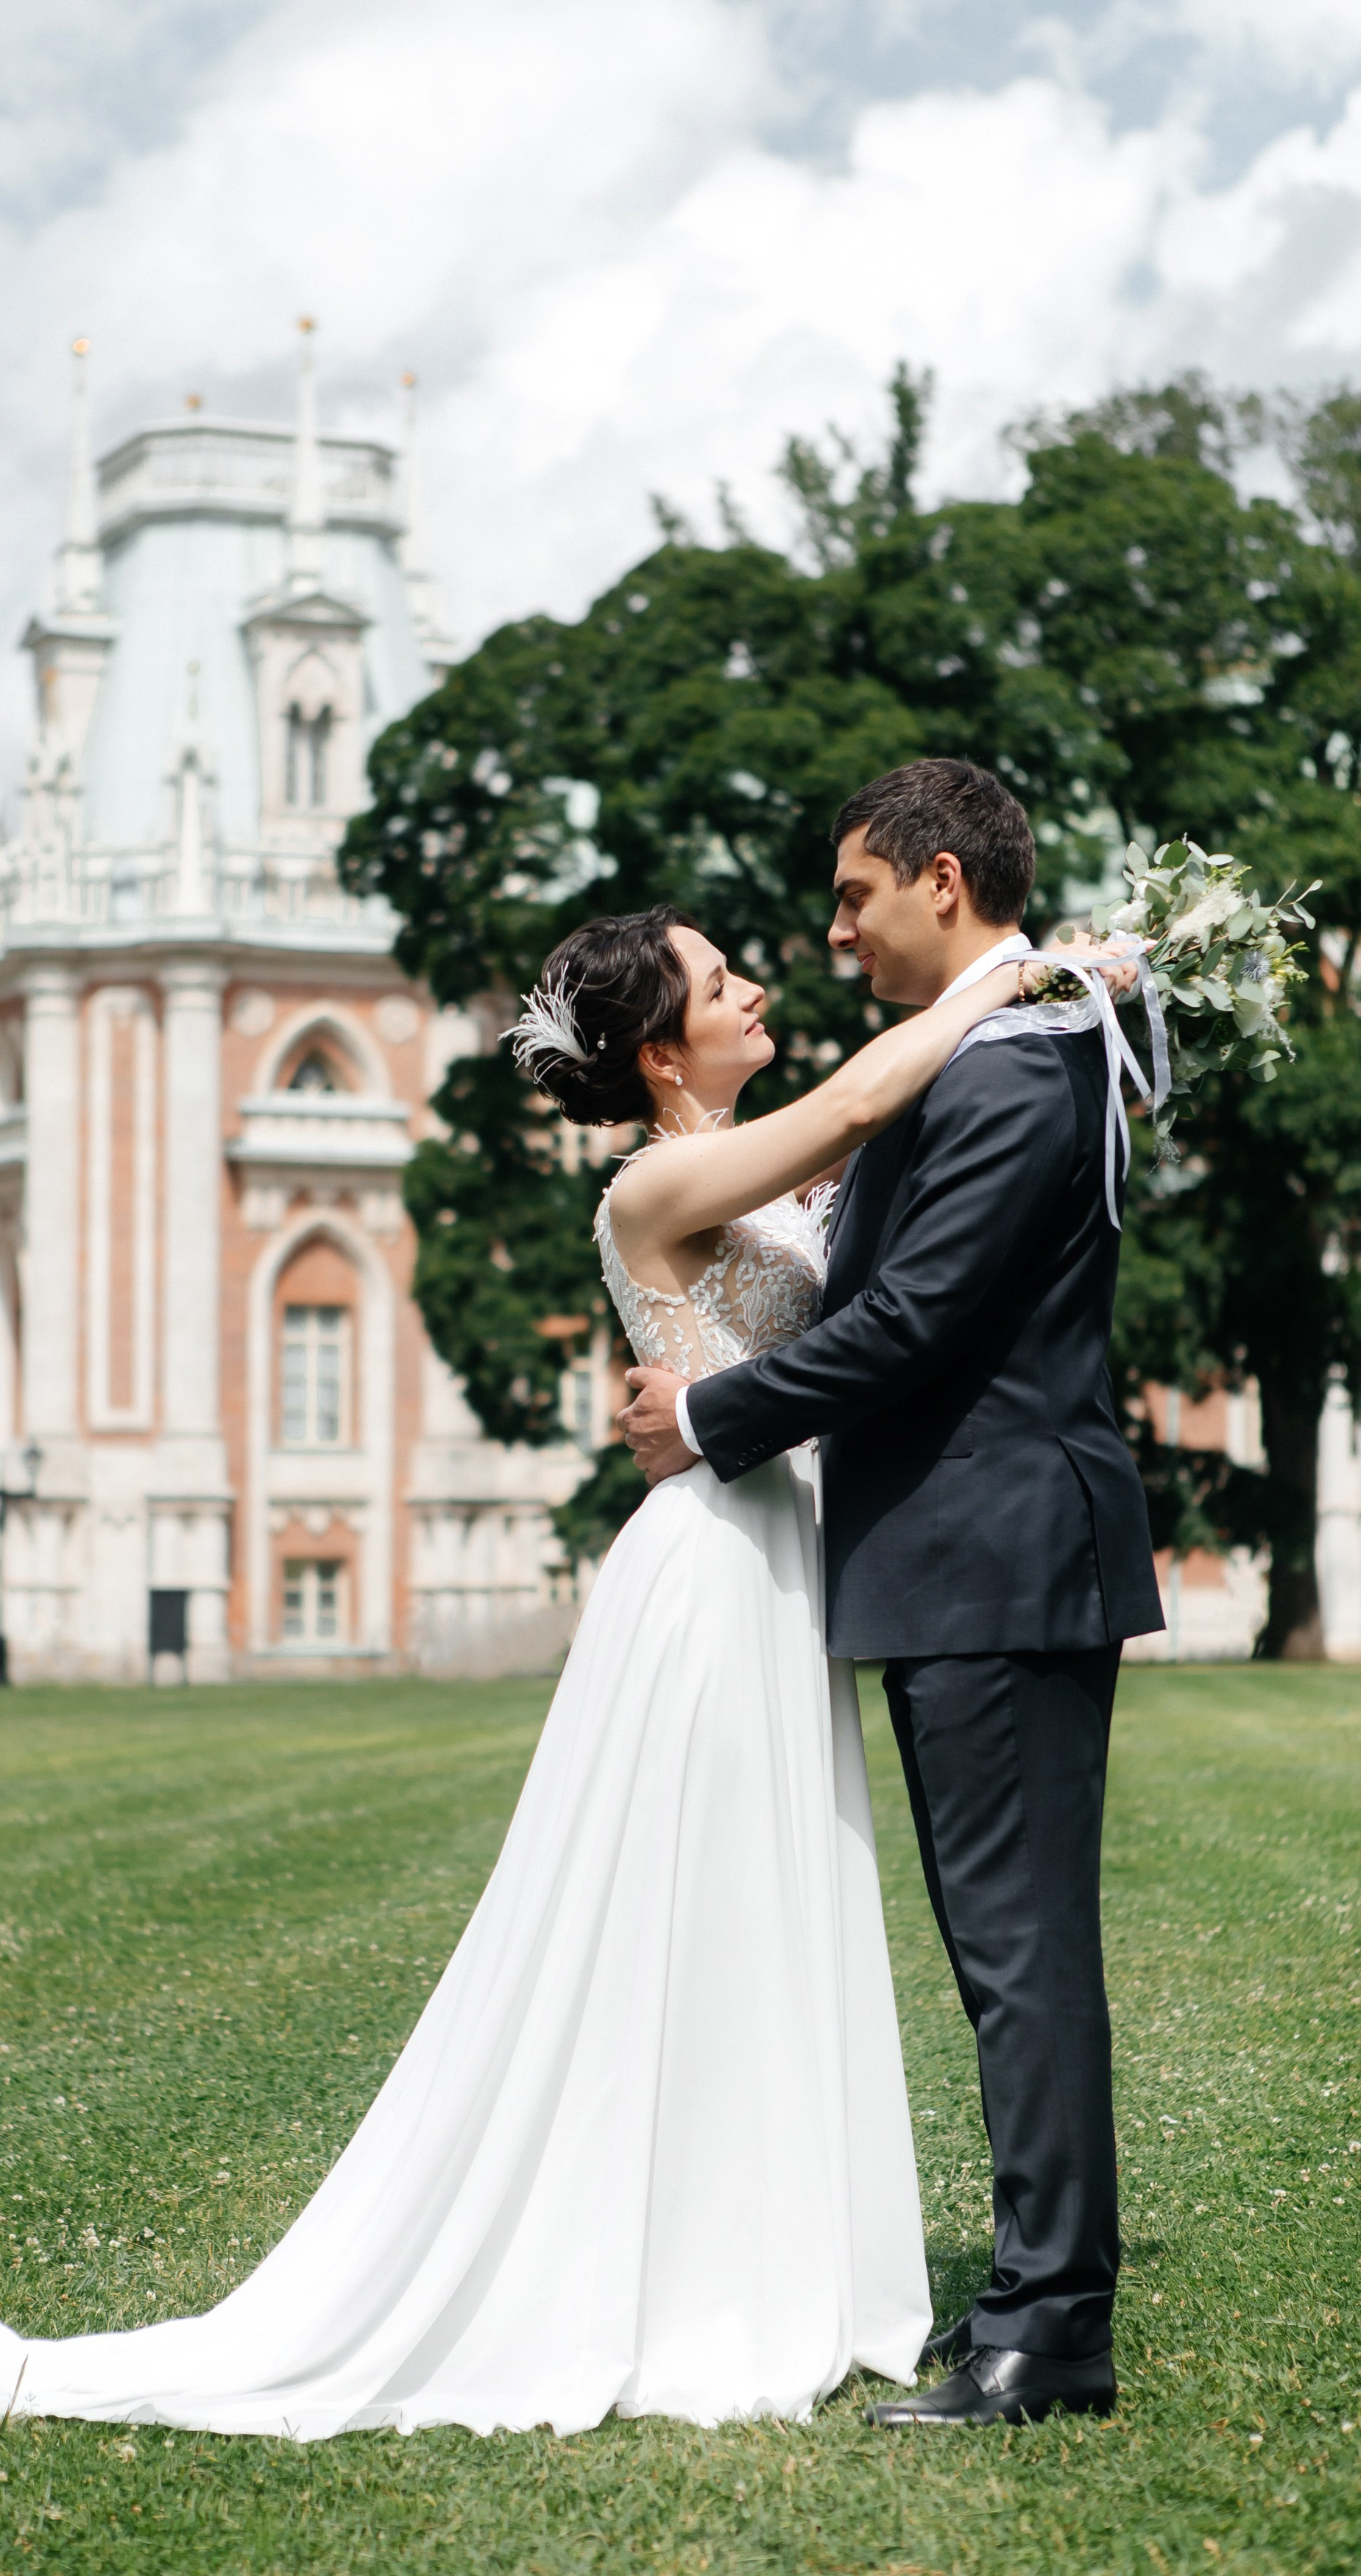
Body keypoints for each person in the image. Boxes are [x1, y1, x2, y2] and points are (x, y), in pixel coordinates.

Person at [0, 880, 1095, 2440]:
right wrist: (1028, 973)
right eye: (719, 980)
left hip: (783, 1569)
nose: (759, 983)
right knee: (677, 1915)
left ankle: (768, 2257)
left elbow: (880, 1241)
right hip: (707, 1579)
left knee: (770, 1901)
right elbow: (859, 1100)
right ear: (655, 1049)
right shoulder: (655, 1185)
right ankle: (666, 2272)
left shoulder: (750, 1176)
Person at [619, 757, 1164, 2428]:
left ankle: (1051, 2325)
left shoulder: (1013, 1072)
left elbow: (912, 1320)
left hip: (996, 1558)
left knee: (1019, 1951)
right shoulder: (998, 1046)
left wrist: (706, 1414)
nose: (835, 929)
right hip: (960, 1564)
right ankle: (1030, 2294)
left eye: (855, 895)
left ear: (942, 880)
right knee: (1004, 1945)